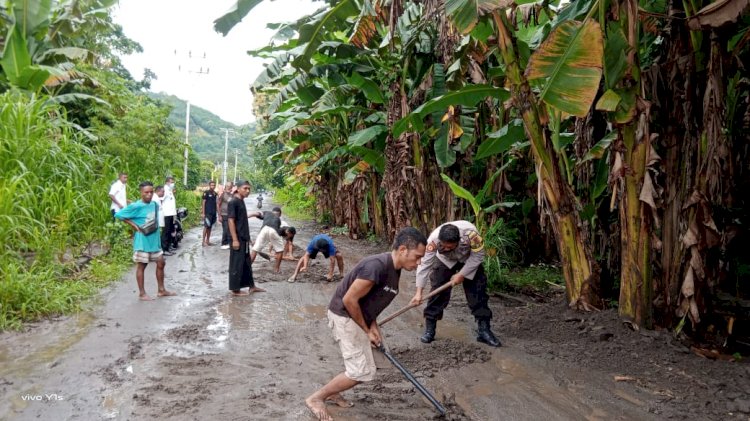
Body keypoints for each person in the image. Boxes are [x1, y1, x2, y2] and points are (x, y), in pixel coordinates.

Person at [304, 227, 427, 420]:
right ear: (403, 249)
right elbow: (350, 300)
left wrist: (373, 326)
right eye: (417, 256)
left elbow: (370, 301)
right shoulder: (376, 266)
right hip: (344, 316)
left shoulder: (395, 269)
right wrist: (366, 330)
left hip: (360, 318)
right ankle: (316, 398)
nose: (419, 262)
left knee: (371, 365)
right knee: (360, 371)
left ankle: (334, 391)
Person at [410, 221, 501, 347]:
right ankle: (430, 329)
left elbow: (478, 256)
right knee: (437, 291)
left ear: (458, 240)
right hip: (445, 261)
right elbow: (424, 265)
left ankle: (484, 330)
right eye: (444, 246)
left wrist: (462, 274)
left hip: (469, 260)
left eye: (450, 247)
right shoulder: (433, 240)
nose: (446, 248)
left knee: (478, 291)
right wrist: (418, 292)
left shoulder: (472, 235)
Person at [114, 181, 176, 301]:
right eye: (146, 192)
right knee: (142, 266)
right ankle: (142, 293)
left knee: (161, 263)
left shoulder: (154, 204)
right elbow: (119, 215)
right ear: (141, 193)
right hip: (142, 241)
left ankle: (161, 290)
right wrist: (134, 225)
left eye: (151, 192)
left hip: (154, 241)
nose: (148, 194)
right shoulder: (136, 206)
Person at [227, 180, 265, 296]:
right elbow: (231, 221)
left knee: (247, 263)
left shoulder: (241, 201)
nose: (247, 191)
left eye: (249, 188)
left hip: (243, 237)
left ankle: (251, 286)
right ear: (238, 188)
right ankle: (235, 289)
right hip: (237, 238)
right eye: (245, 188)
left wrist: (248, 238)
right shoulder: (233, 202)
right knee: (236, 263)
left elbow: (242, 220)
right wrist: (235, 239)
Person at [248, 206, 289, 273]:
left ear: (272, 212)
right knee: (280, 251)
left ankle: (247, 267)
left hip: (264, 229)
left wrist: (247, 216)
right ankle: (276, 269)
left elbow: (256, 213)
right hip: (274, 230)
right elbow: (277, 233)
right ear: (280, 214)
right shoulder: (279, 220)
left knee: (255, 250)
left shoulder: (267, 213)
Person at [154, 185, 173, 256]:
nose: (163, 193)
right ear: (158, 191)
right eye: (163, 192)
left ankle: (162, 251)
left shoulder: (157, 198)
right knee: (162, 235)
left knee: (162, 234)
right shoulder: (155, 199)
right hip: (157, 220)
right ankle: (162, 251)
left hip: (160, 220)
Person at [161, 176, 178, 252]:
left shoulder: (170, 190)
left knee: (170, 231)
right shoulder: (164, 190)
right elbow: (160, 200)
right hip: (166, 214)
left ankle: (168, 246)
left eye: (173, 182)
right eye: (171, 182)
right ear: (167, 182)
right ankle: (164, 249)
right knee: (166, 232)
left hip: (171, 214)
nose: (173, 184)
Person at [218, 181, 234, 250]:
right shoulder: (223, 195)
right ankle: (223, 243)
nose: (230, 187)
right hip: (224, 214)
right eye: (228, 186)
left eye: (230, 186)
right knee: (226, 229)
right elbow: (218, 204)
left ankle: (228, 243)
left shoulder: (231, 195)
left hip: (230, 214)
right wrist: (219, 215)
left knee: (230, 229)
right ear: (226, 186)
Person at [201, 180, 218, 246]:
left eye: (214, 185)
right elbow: (203, 203)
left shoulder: (215, 193)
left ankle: (208, 241)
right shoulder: (206, 193)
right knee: (206, 226)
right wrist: (203, 213)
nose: (212, 186)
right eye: (211, 185)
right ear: (209, 185)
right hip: (207, 213)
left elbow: (216, 203)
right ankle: (203, 242)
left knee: (210, 227)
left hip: (213, 213)